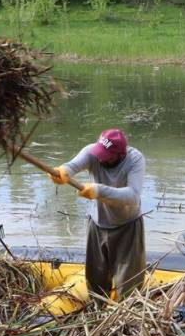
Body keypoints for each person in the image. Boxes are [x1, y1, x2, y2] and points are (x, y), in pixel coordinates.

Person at [49, 129, 146, 302]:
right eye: (100, 153)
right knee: (95, 279)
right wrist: (62, 172)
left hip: (127, 227)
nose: (101, 158)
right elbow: (72, 166)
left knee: (129, 284)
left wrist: (98, 190)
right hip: (97, 224)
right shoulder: (93, 152)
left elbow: (133, 196)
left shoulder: (135, 159)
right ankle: (97, 313)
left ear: (120, 154)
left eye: (107, 155)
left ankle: (126, 318)